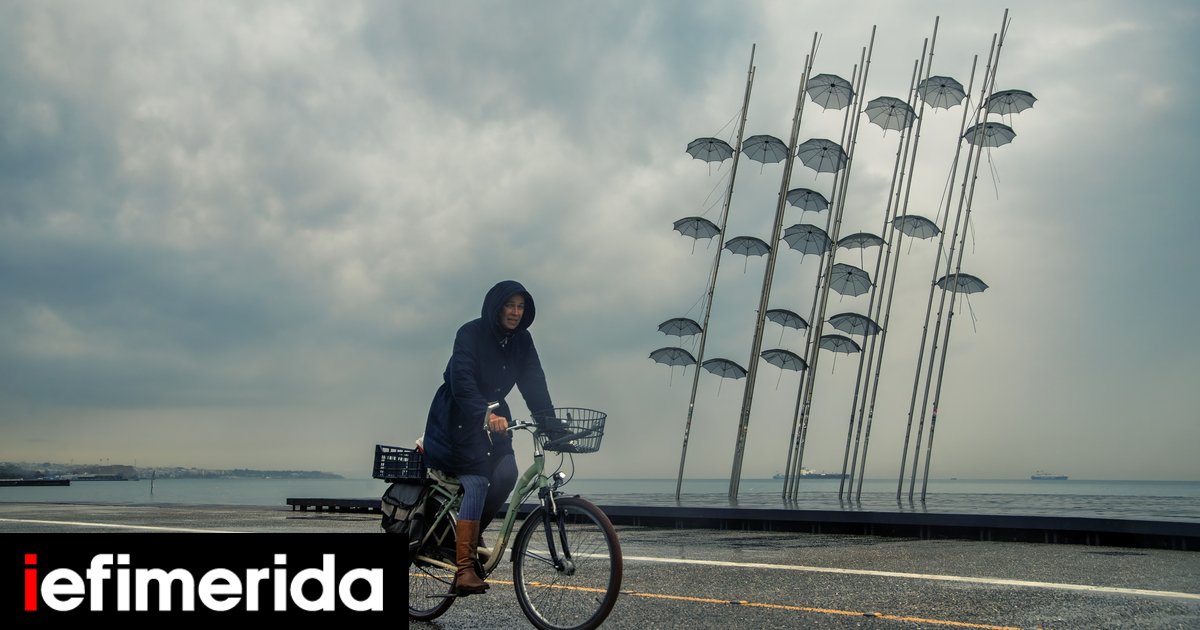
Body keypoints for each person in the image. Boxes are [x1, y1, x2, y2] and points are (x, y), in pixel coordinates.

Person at [422, 279, 556, 595]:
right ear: (496, 307)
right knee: (478, 482)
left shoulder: (522, 341)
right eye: (509, 305)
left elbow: (533, 382)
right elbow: (462, 381)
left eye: (520, 306)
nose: (515, 312)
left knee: (507, 472)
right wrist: (484, 413)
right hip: (457, 418)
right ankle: (464, 569)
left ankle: (466, 537)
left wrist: (551, 424)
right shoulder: (470, 333)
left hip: (496, 418)